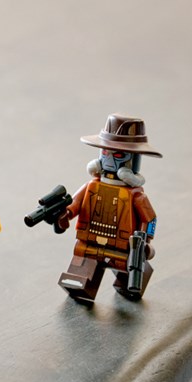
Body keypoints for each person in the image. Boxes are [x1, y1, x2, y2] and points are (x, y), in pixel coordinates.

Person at [55, 115, 160, 303]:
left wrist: (145, 241)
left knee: (129, 274)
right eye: (105, 152)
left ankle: (128, 285)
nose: (110, 159)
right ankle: (81, 285)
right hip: (89, 243)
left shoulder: (135, 195)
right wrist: (64, 215)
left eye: (119, 155)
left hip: (124, 249)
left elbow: (150, 218)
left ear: (134, 159)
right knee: (79, 274)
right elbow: (73, 205)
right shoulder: (91, 186)